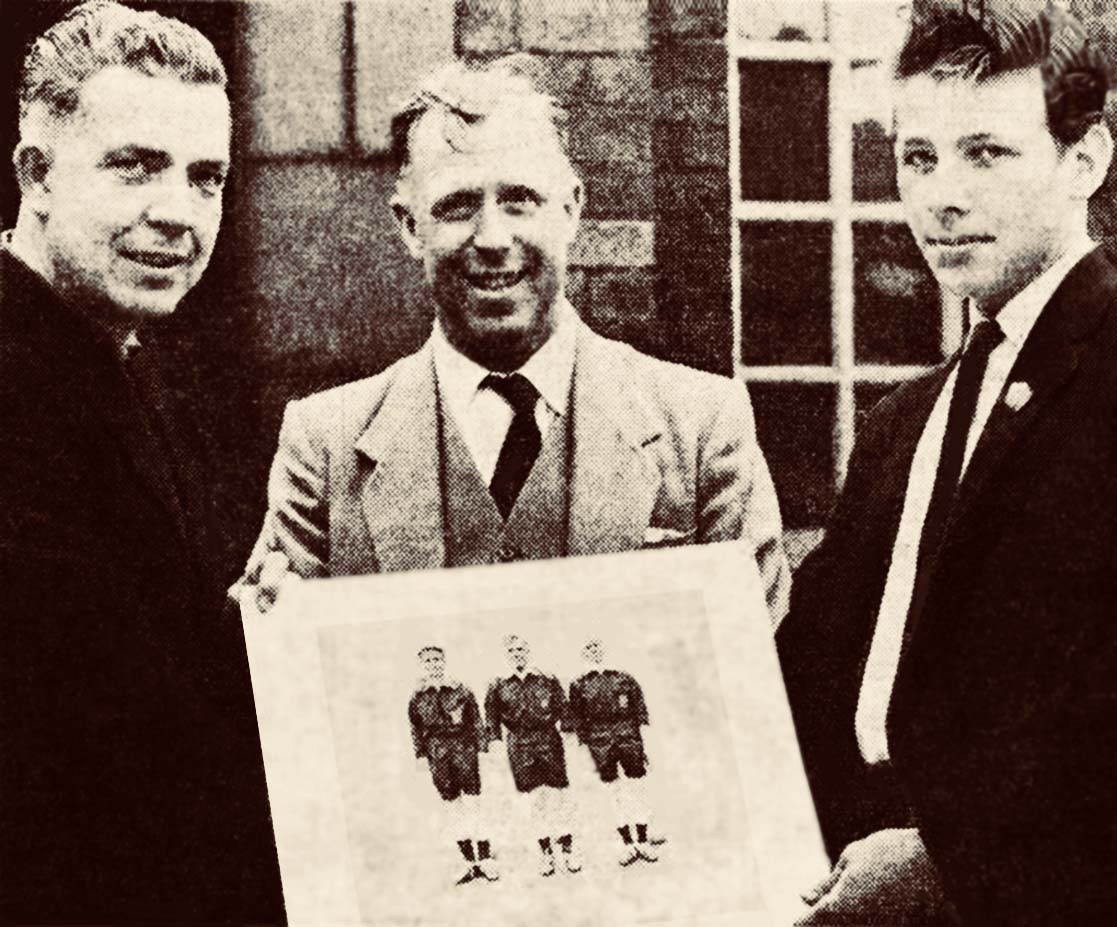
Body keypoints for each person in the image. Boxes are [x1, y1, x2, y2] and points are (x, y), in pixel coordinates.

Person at [778, 2, 1117, 924]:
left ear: (1085, 160)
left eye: (986, 153)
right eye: (919, 156)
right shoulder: (907, 419)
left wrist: (950, 862)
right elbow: (813, 672)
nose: (943, 195)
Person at [234, 55, 789, 624]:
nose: (493, 237)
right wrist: (270, 637)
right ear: (409, 226)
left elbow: (758, 679)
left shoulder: (702, 428)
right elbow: (297, 694)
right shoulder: (325, 448)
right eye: (457, 206)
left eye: (520, 201)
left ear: (572, 209)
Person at [0, 2, 283, 920]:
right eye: (135, 168)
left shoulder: (143, 365)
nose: (177, 212)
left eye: (207, 179)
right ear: (35, 175)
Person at [484, 635, 579, 876]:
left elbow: (564, 708)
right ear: (507, 655)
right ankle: (546, 853)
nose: (517, 654)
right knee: (534, 801)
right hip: (519, 745)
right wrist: (494, 745)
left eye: (521, 649)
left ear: (528, 651)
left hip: (549, 740)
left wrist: (567, 733)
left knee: (559, 797)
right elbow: (492, 719)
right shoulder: (498, 684)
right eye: (512, 651)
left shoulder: (546, 678)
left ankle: (568, 850)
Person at [408, 645, 498, 885]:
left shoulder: (461, 689)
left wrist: (483, 750)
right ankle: (468, 862)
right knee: (453, 807)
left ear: (444, 661)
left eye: (437, 660)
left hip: (464, 751)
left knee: (475, 804)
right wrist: (421, 757)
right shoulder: (417, 696)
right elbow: (416, 729)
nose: (433, 664)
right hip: (438, 756)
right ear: (422, 666)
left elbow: (476, 722)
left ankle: (486, 858)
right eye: (428, 661)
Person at [567, 638, 659, 866]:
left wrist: (642, 744)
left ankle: (644, 840)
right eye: (588, 648)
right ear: (583, 654)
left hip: (629, 739)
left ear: (603, 650)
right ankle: (627, 844)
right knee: (615, 792)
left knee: (637, 788)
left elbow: (640, 710)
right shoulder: (579, 684)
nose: (593, 652)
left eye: (596, 647)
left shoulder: (623, 678)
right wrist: (586, 747)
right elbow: (577, 719)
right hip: (600, 743)